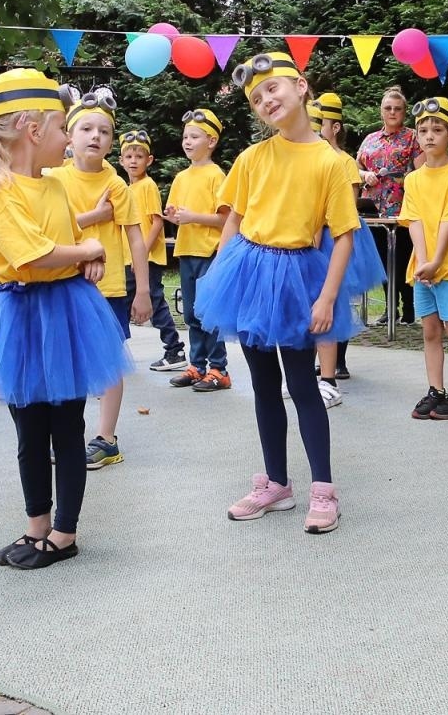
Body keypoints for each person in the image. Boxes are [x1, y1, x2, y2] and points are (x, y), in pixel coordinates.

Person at [0, 69, 125, 570]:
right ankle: (36, 525)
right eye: (63, 128)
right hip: (20, 315)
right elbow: (30, 252)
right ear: (32, 129)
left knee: (67, 428)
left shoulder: (55, 187)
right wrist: (85, 248)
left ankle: (64, 534)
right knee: (29, 430)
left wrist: (91, 256)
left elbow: (71, 248)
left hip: (64, 313)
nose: (70, 138)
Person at [195, 50, 359, 534]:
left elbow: (344, 234)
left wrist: (327, 297)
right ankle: (276, 484)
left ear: (301, 86)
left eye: (273, 88)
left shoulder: (331, 162)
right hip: (249, 275)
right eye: (256, 97)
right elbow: (235, 222)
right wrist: (219, 277)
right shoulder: (251, 158)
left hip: (296, 280)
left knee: (303, 385)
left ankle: (324, 490)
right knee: (263, 386)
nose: (266, 99)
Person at [45, 88, 148, 471]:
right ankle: (67, 436)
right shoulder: (53, 179)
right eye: (86, 128)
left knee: (107, 363)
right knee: (65, 360)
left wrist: (143, 291)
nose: (95, 137)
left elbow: (136, 237)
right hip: (62, 284)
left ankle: (106, 439)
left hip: (107, 290)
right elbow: (45, 230)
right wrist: (93, 217)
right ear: (69, 137)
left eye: (104, 131)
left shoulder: (117, 184)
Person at [401, 97, 448, 420]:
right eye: (423, 130)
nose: (430, 135)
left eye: (437, 129)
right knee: (430, 330)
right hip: (423, 268)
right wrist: (423, 262)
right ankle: (436, 389)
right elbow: (414, 220)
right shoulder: (413, 179)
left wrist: (436, 261)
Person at [310, 92, 386, 400]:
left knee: (335, 297)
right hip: (313, 233)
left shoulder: (343, 162)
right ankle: (317, 364)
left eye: (321, 124)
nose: (316, 130)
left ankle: (334, 365)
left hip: (337, 235)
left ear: (335, 127)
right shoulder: (308, 157)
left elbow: (349, 207)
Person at [162, 109, 230, 390]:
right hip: (186, 251)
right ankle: (196, 365)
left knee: (209, 312)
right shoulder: (181, 177)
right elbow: (179, 214)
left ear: (211, 141)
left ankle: (219, 369)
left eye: (194, 136)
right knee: (190, 313)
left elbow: (226, 218)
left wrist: (193, 218)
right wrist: (171, 215)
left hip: (209, 252)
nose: (187, 141)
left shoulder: (217, 175)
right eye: (185, 136)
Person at [118, 127, 185, 370]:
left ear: (149, 160)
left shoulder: (147, 186)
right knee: (124, 301)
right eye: (129, 156)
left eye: (139, 156)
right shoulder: (126, 189)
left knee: (155, 301)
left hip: (145, 257)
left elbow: (157, 221)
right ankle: (116, 351)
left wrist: (142, 253)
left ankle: (175, 350)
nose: (134, 161)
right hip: (129, 258)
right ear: (121, 160)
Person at [357, 86, 421, 326]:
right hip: (373, 208)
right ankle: (390, 308)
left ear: (404, 112)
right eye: (388, 108)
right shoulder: (370, 139)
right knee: (382, 258)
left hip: (403, 207)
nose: (392, 112)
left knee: (404, 256)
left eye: (397, 108)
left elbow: (422, 171)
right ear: (381, 111)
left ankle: (409, 307)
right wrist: (365, 175)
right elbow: (354, 167)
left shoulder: (413, 137)